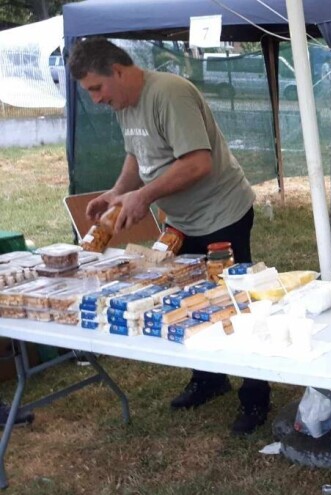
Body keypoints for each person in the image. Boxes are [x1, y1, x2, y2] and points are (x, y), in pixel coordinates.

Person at [67, 38, 269, 435]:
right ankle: (210, 378)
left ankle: (255, 394)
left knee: (232, 302)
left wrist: (145, 196)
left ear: (119, 71)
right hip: (185, 219)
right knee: (191, 299)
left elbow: (198, 163)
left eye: (96, 88)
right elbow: (137, 155)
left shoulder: (169, 93)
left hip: (222, 214)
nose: (95, 100)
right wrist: (117, 192)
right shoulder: (125, 103)